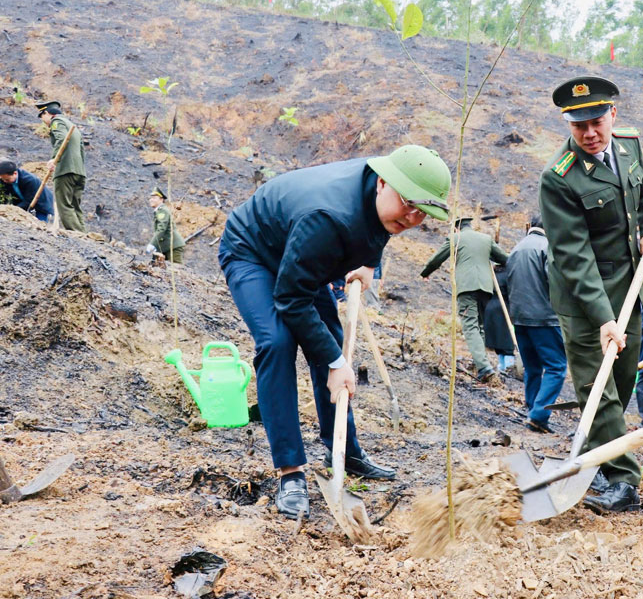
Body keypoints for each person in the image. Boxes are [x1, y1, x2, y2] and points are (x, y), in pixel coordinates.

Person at [218, 144, 451, 519]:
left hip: (304, 256)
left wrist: (368, 265)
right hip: (255, 252)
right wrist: (337, 361)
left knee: (326, 335)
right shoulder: (327, 216)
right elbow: (291, 298)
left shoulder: (388, 194)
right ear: (381, 183)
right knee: (278, 342)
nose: (411, 218)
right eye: (408, 204)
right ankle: (291, 473)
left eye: (422, 213)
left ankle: (344, 450)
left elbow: (382, 227)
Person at [539, 75, 643, 513]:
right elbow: (573, 256)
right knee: (599, 385)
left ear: (613, 114)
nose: (590, 133)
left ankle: (602, 452)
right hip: (582, 296)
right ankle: (622, 478)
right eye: (579, 126)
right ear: (568, 126)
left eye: (596, 121)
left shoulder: (629, 145)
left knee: (623, 377)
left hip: (631, 284)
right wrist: (602, 318)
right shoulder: (559, 178)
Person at [420, 217, 509, 382]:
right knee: (480, 326)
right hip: (485, 287)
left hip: (467, 287)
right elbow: (505, 259)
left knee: (470, 327)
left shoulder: (456, 238)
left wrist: (425, 272)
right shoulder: (485, 239)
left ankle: (484, 367)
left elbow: (438, 258)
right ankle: (481, 364)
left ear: (456, 229)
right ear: (470, 226)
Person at [506, 216, 567, 433]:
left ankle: (532, 408)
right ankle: (539, 415)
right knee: (556, 367)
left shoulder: (516, 248)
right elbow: (556, 284)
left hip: (520, 318)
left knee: (532, 367)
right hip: (544, 318)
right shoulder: (546, 247)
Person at [36, 101, 87, 232]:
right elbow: (81, 151)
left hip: (65, 170)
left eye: (41, 116)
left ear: (46, 113)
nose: (43, 121)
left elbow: (61, 139)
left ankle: (77, 235)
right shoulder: (72, 125)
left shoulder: (56, 122)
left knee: (64, 204)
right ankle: (85, 235)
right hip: (79, 172)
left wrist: (54, 159)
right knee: (75, 206)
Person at [145, 187, 186, 264]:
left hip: (173, 246)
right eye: (150, 198)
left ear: (161, 199)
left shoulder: (162, 211)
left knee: (177, 270)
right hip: (166, 246)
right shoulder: (159, 211)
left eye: (154, 198)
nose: (151, 200)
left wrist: (152, 244)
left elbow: (161, 229)